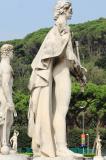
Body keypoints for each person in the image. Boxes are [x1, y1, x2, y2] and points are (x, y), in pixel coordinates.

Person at [27, 0, 86, 157]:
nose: (71, 11)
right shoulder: (63, 28)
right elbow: (70, 56)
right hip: (61, 74)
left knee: (56, 111)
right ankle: (61, 147)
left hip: (57, 73)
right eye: (69, 8)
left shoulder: (54, 30)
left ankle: (56, 146)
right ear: (63, 10)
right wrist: (80, 73)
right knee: (61, 111)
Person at [0, 44, 17, 155]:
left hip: (1, 94)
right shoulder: (6, 67)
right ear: (8, 53)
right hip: (6, 97)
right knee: (6, 121)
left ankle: (4, 144)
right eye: (12, 52)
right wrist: (10, 101)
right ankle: (4, 145)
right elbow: (6, 84)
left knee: (6, 121)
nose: (13, 54)